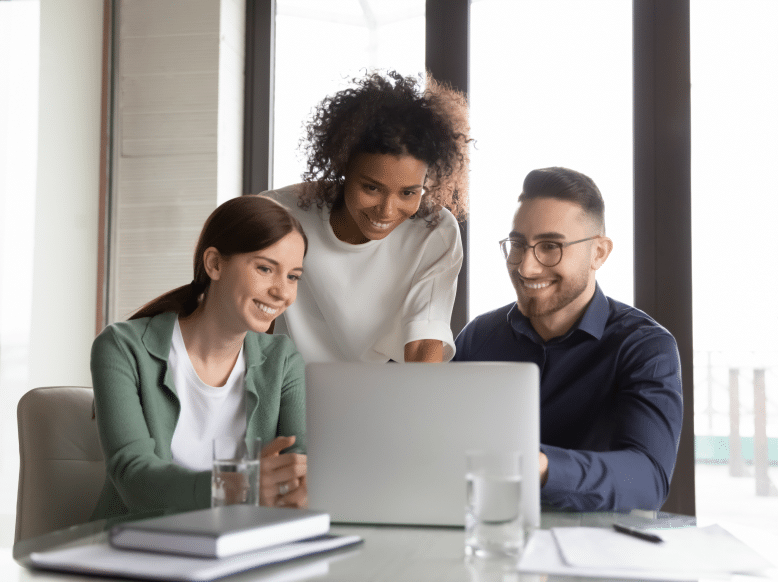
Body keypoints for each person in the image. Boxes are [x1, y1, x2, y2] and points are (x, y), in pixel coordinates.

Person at [454, 167, 683, 512]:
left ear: (599, 253)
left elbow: (648, 480)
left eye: (550, 247)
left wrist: (540, 467)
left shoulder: (645, 347)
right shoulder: (478, 337)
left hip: (594, 552)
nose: (526, 268)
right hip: (489, 535)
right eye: (518, 245)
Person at [90, 196, 309, 520]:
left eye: (293, 277)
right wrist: (239, 487)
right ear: (215, 264)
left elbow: (298, 467)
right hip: (135, 548)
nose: (282, 292)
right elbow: (133, 478)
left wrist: (304, 487)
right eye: (265, 268)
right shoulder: (122, 347)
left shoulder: (283, 360)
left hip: (241, 545)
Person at [262, 71, 470, 363]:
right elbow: (254, 328)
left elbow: (425, 342)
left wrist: (421, 406)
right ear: (343, 166)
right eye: (371, 188)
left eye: (409, 193)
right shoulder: (280, 214)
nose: (386, 210)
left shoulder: (434, 230)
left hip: (386, 390)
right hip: (292, 388)